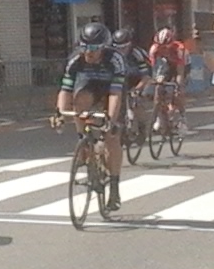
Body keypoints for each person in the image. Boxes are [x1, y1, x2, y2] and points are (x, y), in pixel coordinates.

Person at [49, 21, 126, 212]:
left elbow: (115, 94)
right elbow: (65, 89)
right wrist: (60, 113)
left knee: (112, 138)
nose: (88, 52)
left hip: (111, 90)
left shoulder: (115, 59)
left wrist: (110, 121)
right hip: (89, 86)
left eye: (93, 48)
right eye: (84, 47)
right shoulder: (76, 59)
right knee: (79, 100)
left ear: (103, 47)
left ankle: (114, 187)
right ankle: (84, 138)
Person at [113, 27, 153, 139]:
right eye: (117, 47)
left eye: (124, 47)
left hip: (139, 79)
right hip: (122, 80)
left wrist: (138, 89)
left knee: (136, 102)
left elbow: (146, 76)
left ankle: (142, 127)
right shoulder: (112, 54)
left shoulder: (137, 54)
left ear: (130, 44)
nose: (121, 50)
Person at [148, 27, 188, 131]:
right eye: (161, 46)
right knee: (158, 91)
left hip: (181, 65)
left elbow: (180, 72)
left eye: (165, 47)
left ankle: (183, 116)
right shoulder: (154, 49)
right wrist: (155, 80)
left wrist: (178, 86)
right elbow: (154, 68)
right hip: (164, 65)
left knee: (178, 92)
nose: (163, 49)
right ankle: (158, 117)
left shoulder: (179, 48)